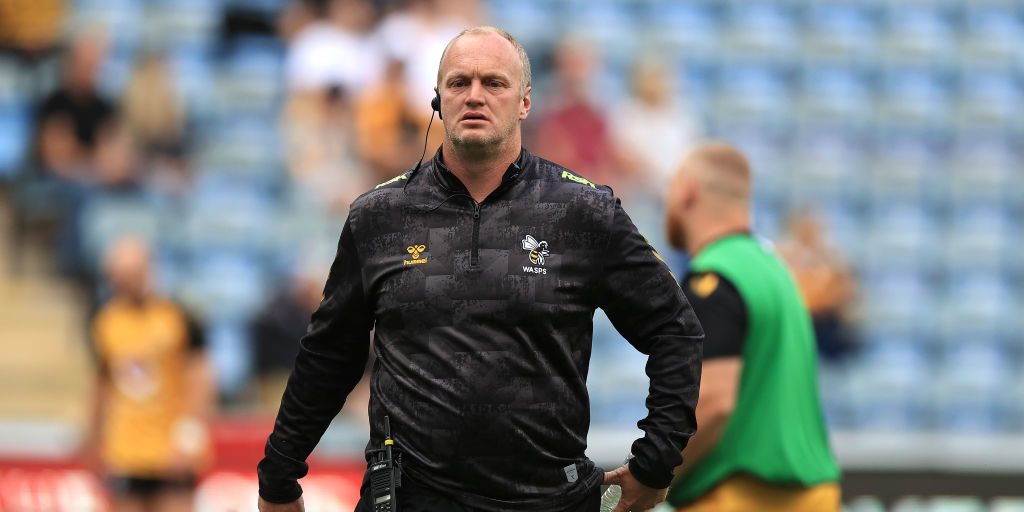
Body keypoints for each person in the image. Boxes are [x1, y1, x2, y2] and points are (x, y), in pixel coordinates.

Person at [257, 26, 704, 512]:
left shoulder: (583, 212)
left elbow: (675, 330)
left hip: (547, 501)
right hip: (410, 501)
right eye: (459, 82)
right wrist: (279, 475)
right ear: (437, 99)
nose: (474, 96)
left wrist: (656, 459)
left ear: (525, 102)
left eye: (494, 83)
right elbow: (328, 356)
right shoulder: (379, 216)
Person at [662, 144, 841, 511]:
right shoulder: (777, 271)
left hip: (737, 496)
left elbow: (714, 403)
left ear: (687, 191)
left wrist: (649, 475)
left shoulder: (714, 276)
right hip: (815, 497)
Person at [85, 235, 215, 512]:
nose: (121, 282)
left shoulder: (179, 315)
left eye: (128, 274)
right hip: (125, 451)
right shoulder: (105, 320)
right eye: (116, 275)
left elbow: (201, 378)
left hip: (171, 447)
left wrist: (188, 437)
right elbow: (102, 383)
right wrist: (93, 439)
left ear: (148, 269)